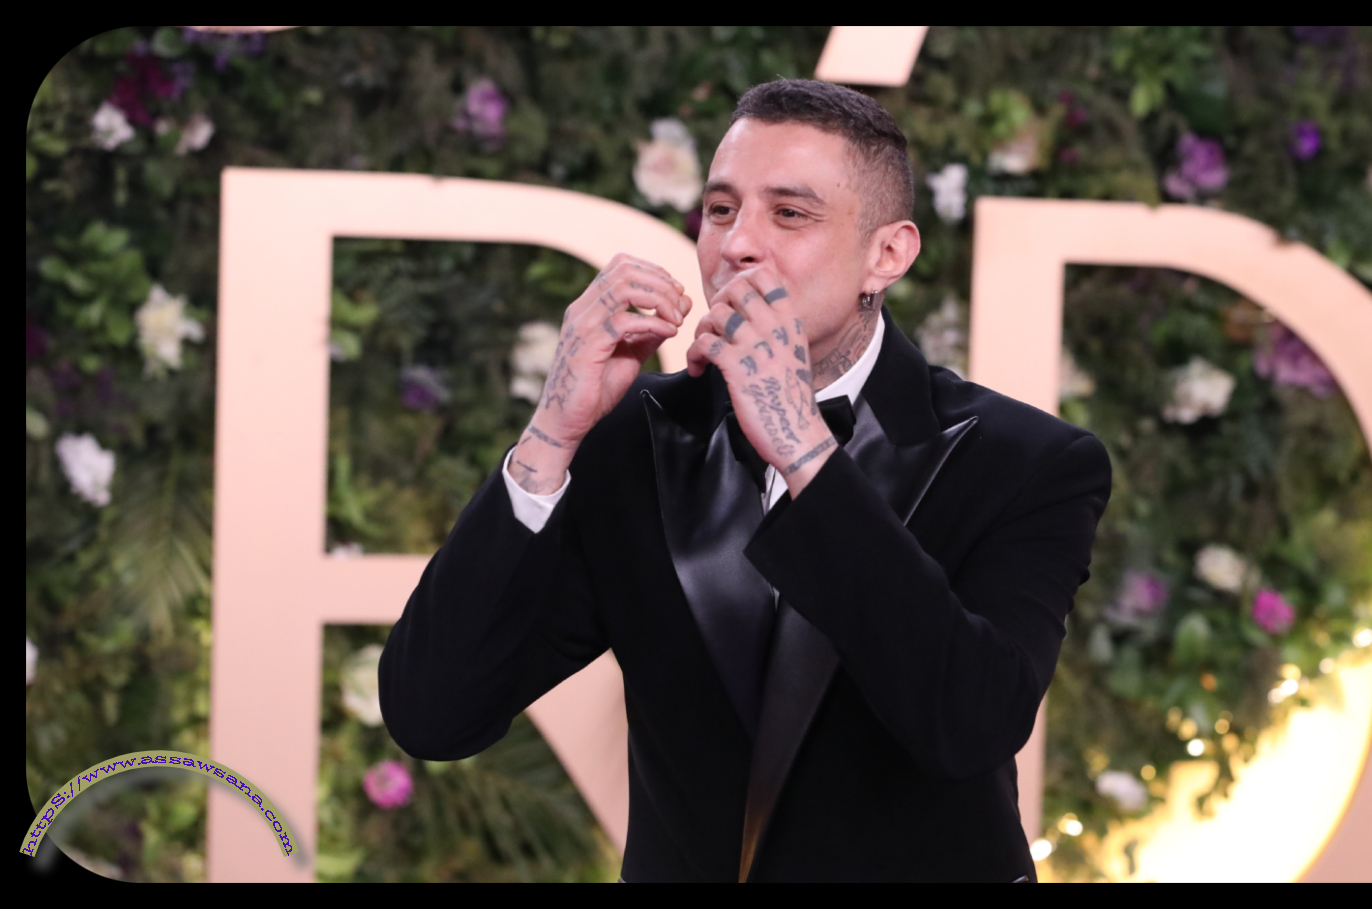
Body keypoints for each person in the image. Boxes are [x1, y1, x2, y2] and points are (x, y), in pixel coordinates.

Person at [379, 78, 1111, 883]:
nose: (737, 244)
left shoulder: (1028, 460)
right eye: (721, 209)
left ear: (888, 254)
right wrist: (552, 432)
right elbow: (433, 712)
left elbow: (968, 724)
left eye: (789, 213)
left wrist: (802, 448)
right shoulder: (633, 438)